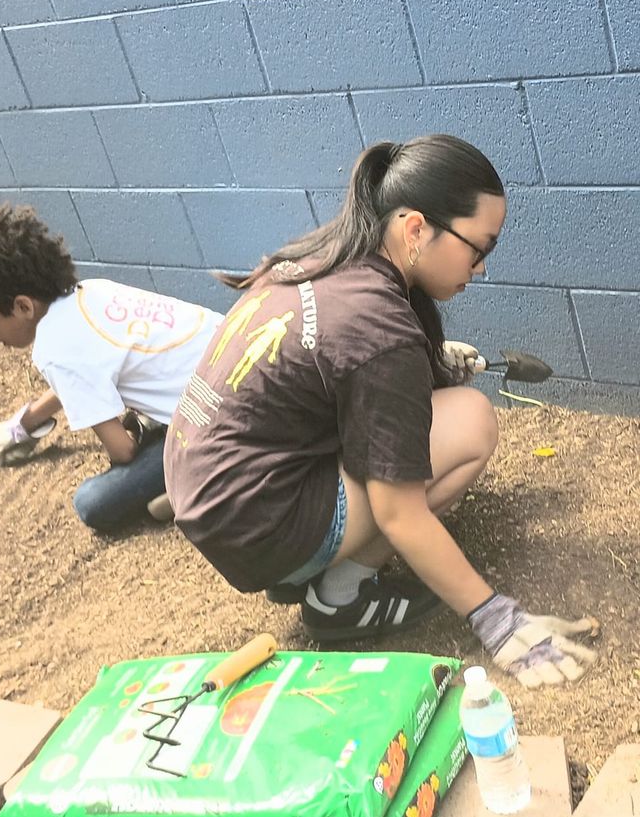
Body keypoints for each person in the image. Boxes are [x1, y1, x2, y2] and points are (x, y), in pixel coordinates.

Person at [165, 135, 598, 688]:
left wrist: (425, 362)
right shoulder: (378, 330)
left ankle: (304, 560)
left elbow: (322, 366)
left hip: (211, 492)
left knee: (432, 420)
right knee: (470, 421)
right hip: (256, 522)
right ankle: (338, 598)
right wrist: (497, 620)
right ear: (416, 229)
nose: (482, 268)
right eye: (478, 247)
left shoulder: (321, 260)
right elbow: (400, 512)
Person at [0, 201, 224, 531]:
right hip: (235, 359)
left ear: (23, 306)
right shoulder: (90, 291)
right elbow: (82, 372)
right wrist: (25, 423)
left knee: (92, 502)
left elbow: (123, 450)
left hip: (218, 420)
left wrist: (128, 434)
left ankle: (194, 481)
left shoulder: (56, 352)